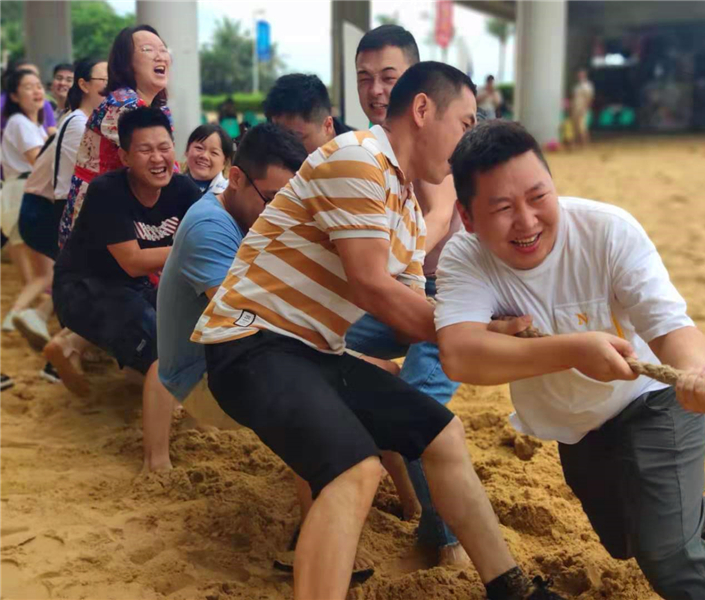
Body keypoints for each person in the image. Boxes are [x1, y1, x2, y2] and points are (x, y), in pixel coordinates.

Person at [193, 62, 562, 600]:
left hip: (313, 352)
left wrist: (484, 327)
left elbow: (411, 315)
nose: (466, 144)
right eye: (464, 124)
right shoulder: (359, 157)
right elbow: (372, 288)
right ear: (421, 110)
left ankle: (511, 589)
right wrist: (477, 331)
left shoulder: (408, 208)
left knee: (442, 433)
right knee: (356, 471)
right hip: (250, 344)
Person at [435, 120, 705, 600]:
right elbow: (460, 356)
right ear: (468, 216)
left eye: (538, 196)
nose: (527, 221)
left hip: (651, 400)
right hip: (577, 426)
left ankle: (679, 530)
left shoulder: (607, 230)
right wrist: (577, 349)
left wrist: (697, 372)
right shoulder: (465, 257)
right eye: (502, 207)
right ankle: (692, 517)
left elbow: (671, 327)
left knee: (668, 555)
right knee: (624, 544)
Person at [350, 23, 467, 565]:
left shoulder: (435, 136)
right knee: (320, 338)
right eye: (365, 78)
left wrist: (402, 262)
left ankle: (444, 539)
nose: (376, 90)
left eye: (388, 77)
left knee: (421, 398)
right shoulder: (370, 146)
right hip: (404, 287)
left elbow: (440, 213)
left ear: (415, 91)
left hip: (451, 290)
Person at [53, 107, 202, 472]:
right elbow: (133, 261)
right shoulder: (108, 190)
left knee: (193, 329)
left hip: (128, 287)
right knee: (160, 350)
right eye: (145, 150)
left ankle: (69, 344)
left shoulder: (183, 190)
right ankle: (157, 462)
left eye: (164, 147)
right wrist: (188, 247)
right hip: (81, 287)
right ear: (124, 157)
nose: (158, 158)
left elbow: (206, 235)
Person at [158, 122, 305, 430]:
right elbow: (248, 316)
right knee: (323, 400)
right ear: (235, 177)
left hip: (228, 356)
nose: (279, 213)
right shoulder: (209, 226)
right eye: (271, 198)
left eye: (289, 202)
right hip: (202, 376)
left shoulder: (254, 215)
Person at [13, 58, 108, 360]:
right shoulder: (79, 122)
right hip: (47, 209)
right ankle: (61, 344)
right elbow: (91, 176)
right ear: (85, 85)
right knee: (82, 280)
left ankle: (57, 334)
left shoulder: (76, 119)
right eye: (105, 79)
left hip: (46, 206)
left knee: (76, 278)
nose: (112, 85)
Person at [58, 24, 173, 248]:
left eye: (163, 49)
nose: (160, 55)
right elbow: (162, 169)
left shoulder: (159, 108)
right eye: (148, 49)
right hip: (98, 223)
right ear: (126, 63)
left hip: (122, 216)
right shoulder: (122, 104)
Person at [1, 69, 48, 333]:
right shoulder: (20, 122)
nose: (37, 90)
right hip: (23, 194)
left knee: (32, 276)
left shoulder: (32, 125)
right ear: (15, 96)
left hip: (15, 194)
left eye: (39, 85)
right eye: (28, 87)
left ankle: (25, 316)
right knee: (45, 274)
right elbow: (39, 161)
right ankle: (15, 317)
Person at [264, 73, 351, 154]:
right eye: (279, 139)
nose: (286, 151)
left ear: (328, 126)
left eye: (296, 140)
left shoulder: (359, 155)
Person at [1, 59, 58, 135]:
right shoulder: (19, 122)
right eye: (24, 74)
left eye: (38, 85)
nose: (31, 77)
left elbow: (51, 130)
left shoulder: (43, 103)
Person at [183, 123, 233, 194]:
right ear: (187, 151)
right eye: (199, 148)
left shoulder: (230, 194)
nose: (204, 156)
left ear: (224, 162)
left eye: (214, 153)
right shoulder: (171, 187)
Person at [570, 69, 594, 146]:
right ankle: (577, 142)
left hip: (582, 108)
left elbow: (589, 97)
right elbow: (573, 97)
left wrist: (585, 107)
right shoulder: (577, 86)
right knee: (575, 126)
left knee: (582, 126)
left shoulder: (587, 86)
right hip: (575, 107)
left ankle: (585, 143)